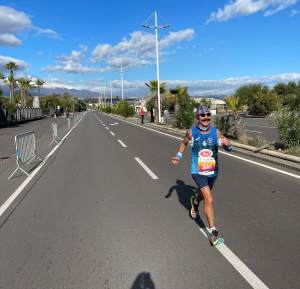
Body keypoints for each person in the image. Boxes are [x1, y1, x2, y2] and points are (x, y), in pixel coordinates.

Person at [171, 106, 232, 246]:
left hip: (212, 171)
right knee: (209, 199)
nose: (206, 118)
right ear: (197, 117)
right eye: (202, 115)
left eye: (208, 115)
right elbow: (184, 143)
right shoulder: (191, 132)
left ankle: (195, 202)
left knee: (203, 195)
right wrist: (178, 156)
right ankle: (213, 232)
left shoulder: (216, 132)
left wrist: (228, 145)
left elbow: (227, 145)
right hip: (197, 170)